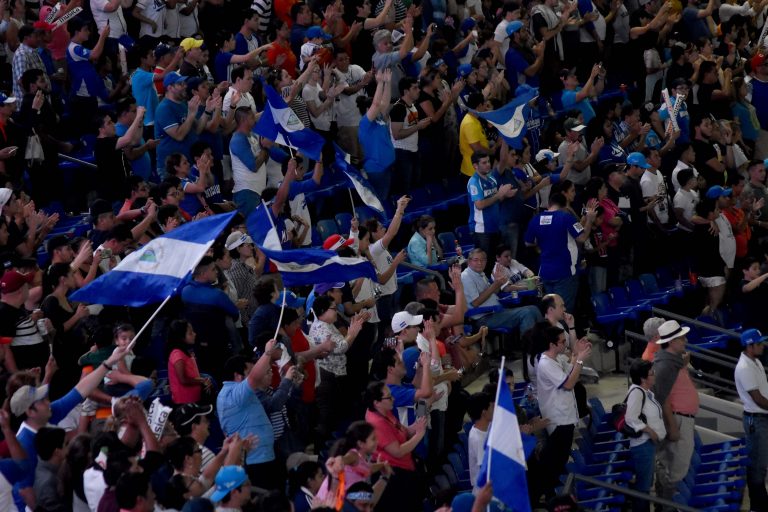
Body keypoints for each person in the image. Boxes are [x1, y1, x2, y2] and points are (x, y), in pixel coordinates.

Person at [533, 324, 592, 501]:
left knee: (560, 459)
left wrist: (576, 354)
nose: (565, 344)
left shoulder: (556, 359)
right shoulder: (545, 363)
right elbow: (568, 384)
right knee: (555, 460)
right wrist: (580, 360)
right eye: (562, 342)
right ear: (552, 344)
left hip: (565, 416)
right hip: (558, 419)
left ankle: (550, 492)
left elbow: (569, 372)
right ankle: (547, 494)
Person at [216, 344, 281, 491]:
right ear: (238, 376)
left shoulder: (235, 393)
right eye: (249, 373)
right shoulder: (233, 394)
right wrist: (267, 353)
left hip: (261, 458)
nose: (255, 377)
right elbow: (255, 377)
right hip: (255, 461)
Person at [652, 320, 699, 504]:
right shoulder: (665, 365)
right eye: (681, 338)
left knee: (675, 467)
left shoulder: (673, 361)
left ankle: (666, 503)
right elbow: (662, 398)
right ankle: (666, 505)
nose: (685, 341)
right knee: (676, 469)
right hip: (678, 420)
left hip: (682, 419)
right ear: (671, 342)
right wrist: (672, 427)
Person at [363, 380, 426, 511]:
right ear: (376, 402)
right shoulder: (378, 422)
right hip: (394, 475)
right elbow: (397, 451)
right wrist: (419, 435)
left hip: (405, 468)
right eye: (389, 397)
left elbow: (403, 431)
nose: (393, 399)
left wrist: (416, 427)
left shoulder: (385, 411)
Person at [461, 248, 542, 337]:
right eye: (476, 260)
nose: (480, 263)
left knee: (534, 309)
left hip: (497, 312)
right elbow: (475, 303)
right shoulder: (466, 276)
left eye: (483, 260)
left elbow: (494, 293)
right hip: (484, 318)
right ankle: (530, 345)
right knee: (527, 313)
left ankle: (544, 342)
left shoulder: (481, 274)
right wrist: (495, 284)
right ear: (469, 261)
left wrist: (498, 283)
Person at [625, 359, 666, 512]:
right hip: (642, 445)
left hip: (648, 444)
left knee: (646, 484)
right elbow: (630, 417)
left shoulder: (645, 392)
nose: (654, 375)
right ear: (643, 378)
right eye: (651, 373)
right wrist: (650, 431)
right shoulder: (637, 393)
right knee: (643, 486)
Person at [734, 328, 768, 511]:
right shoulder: (744, 367)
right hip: (756, 420)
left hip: (761, 418)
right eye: (759, 343)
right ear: (749, 346)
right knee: (757, 465)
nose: (763, 345)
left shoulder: (756, 362)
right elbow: (758, 398)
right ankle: (757, 505)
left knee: (761, 464)